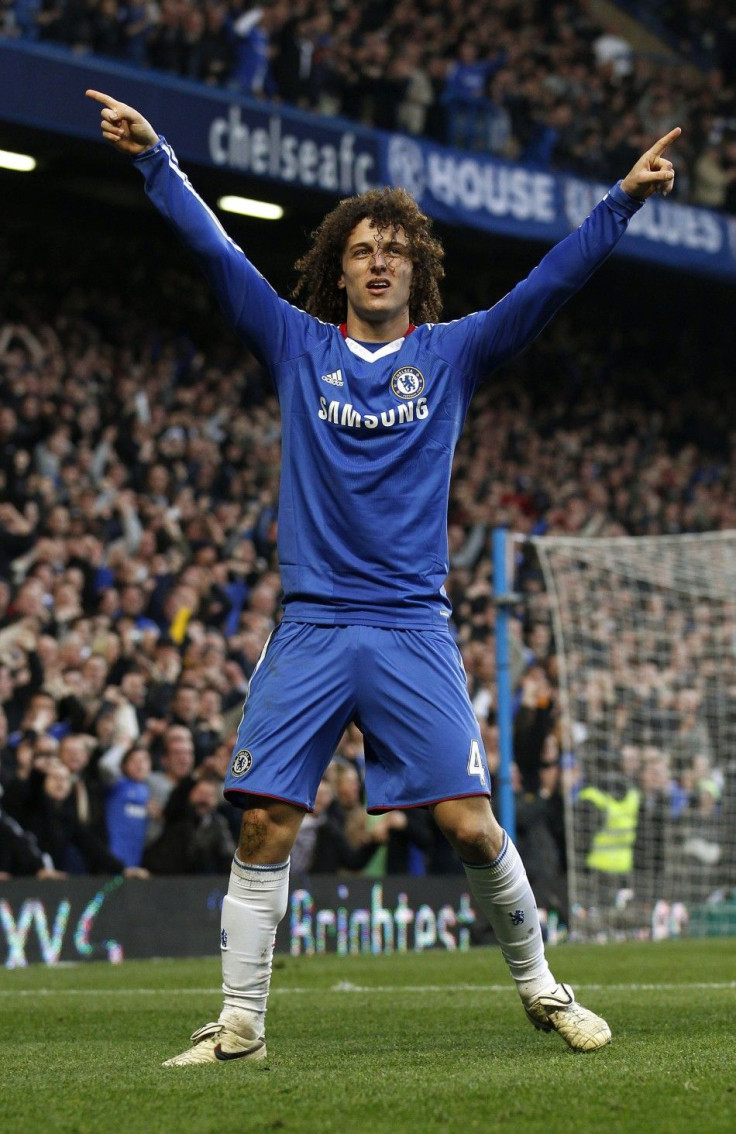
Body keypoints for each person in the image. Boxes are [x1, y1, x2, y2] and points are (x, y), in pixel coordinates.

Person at [86, 87, 679, 1067]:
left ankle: (544, 990)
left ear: (415, 270)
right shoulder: (295, 343)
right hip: (313, 624)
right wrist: (155, 157)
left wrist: (621, 199)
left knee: (472, 826)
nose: (377, 261)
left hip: (410, 626)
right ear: (337, 268)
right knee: (266, 821)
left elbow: (548, 287)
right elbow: (213, 252)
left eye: (392, 250)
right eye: (360, 249)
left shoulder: (451, 354)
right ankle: (239, 1025)